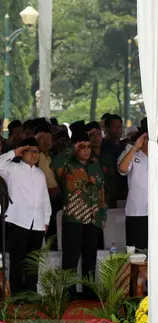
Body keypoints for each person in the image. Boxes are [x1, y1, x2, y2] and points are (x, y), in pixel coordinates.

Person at [56, 126, 106, 297]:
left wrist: (103, 214)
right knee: (71, 257)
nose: (85, 151)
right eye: (81, 147)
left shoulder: (95, 164)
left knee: (90, 257)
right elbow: (54, 163)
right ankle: (67, 293)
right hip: (74, 217)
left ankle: (89, 291)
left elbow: (101, 190)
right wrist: (72, 148)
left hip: (94, 217)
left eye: (88, 147)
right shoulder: (67, 165)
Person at [0, 138, 50, 294]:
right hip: (18, 220)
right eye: (31, 151)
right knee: (18, 259)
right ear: (23, 153)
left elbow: (45, 199)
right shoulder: (12, 169)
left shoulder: (40, 173)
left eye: (37, 152)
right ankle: (17, 293)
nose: (35, 155)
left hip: (38, 222)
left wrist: (46, 219)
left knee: (33, 260)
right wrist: (16, 151)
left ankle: (31, 292)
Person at [118, 122, 158, 250]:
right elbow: (122, 169)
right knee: (136, 252)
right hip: (136, 212)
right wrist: (135, 147)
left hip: (157, 213)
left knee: (156, 251)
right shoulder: (131, 155)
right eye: (149, 139)